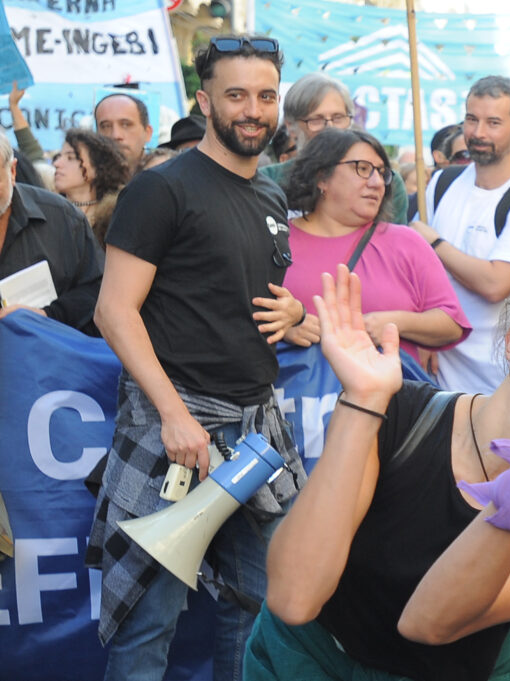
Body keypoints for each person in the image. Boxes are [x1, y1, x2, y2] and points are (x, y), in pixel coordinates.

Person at [246, 262, 510, 681]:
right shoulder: (398, 409)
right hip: (302, 662)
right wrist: (363, 400)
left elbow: (427, 623)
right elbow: (294, 599)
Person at [85, 34, 308, 681]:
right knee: (147, 618)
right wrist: (173, 415)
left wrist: (294, 314)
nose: (253, 109)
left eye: (265, 95)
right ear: (205, 102)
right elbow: (113, 310)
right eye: (236, 94)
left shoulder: (270, 198)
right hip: (173, 430)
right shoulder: (162, 189)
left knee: (258, 603)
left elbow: (240, 296)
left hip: (256, 435)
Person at [281, 127, 470, 358]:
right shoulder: (276, 242)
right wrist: (285, 329)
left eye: (382, 172)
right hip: (296, 390)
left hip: (391, 392)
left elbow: (452, 324)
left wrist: (395, 323)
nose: (377, 182)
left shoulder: (406, 242)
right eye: (362, 169)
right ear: (322, 177)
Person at [411, 75, 510, 394]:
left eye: (493, 122)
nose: (478, 133)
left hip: (500, 381)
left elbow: (495, 283)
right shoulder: (442, 183)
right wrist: (423, 331)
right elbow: (414, 270)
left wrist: (434, 242)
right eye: (471, 120)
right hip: (435, 376)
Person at [260, 72, 409, 223]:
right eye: (316, 119)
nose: (330, 128)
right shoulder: (266, 182)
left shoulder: (384, 183)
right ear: (291, 127)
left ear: (350, 120)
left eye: (338, 118)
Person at [0, 134, 104, 334]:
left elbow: (98, 290)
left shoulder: (63, 219)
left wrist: (47, 315)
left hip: (47, 358)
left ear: (12, 171)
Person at [52, 129, 131, 244]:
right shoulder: (50, 212)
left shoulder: (116, 217)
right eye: (58, 157)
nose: (57, 164)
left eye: (71, 158)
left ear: (98, 167)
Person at [94, 92, 154, 168]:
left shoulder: (166, 177)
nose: (116, 135)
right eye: (106, 126)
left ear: (147, 133)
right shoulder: (85, 176)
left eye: (126, 125)